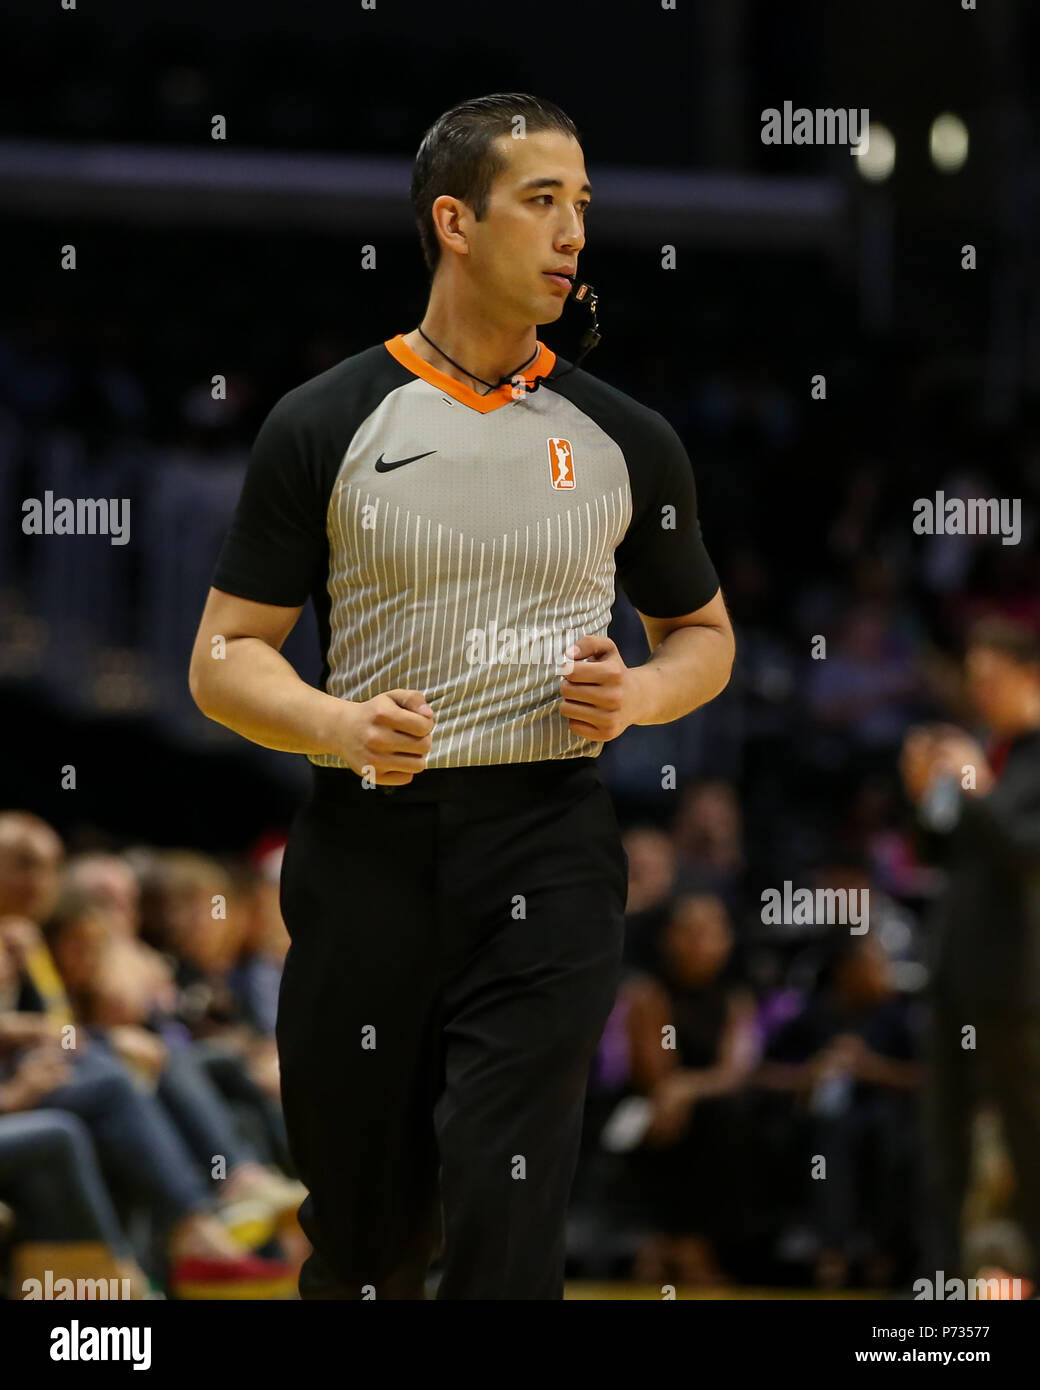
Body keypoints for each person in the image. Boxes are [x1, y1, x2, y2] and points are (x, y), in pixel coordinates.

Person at [190, 92, 734, 1300]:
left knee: (505, 1203)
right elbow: (222, 657)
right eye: (541, 201)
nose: (571, 234)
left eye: (580, 205)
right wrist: (335, 723)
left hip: (548, 848)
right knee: (367, 1244)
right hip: (365, 851)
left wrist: (640, 693)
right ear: (453, 220)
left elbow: (703, 634)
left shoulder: (623, 437)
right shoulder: (325, 421)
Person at [900, 616, 1040, 1282]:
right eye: (973, 677)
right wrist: (923, 789)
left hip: (1016, 976)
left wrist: (975, 785)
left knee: (1027, 1132)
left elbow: (1025, 852)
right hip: (953, 967)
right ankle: (940, 1278)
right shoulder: (983, 747)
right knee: (942, 1138)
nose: (978, 690)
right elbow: (934, 852)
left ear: (1028, 676)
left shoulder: (1028, 756)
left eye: (990, 677)